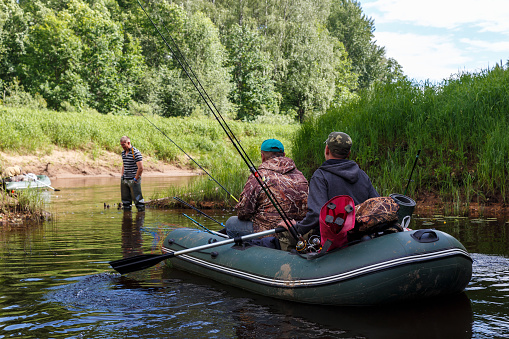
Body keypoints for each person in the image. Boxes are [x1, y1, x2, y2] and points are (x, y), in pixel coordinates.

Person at [280, 132, 379, 238]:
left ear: (327, 150)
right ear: (349, 153)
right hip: (361, 234)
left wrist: (297, 228)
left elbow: (317, 214)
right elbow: (377, 204)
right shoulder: (362, 174)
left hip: (334, 240)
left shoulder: (320, 176)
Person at [226, 139, 308, 249]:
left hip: (269, 234)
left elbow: (243, 213)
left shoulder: (258, 176)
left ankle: (241, 256)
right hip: (295, 232)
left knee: (231, 223)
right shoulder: (300, 176)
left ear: (262, 156)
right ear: (283, 155)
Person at [120, 136, 145, 212]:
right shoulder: (123, 153)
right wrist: (122, 176)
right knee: (125, 202)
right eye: (121, 145)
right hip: (125, 179)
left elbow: (140, 168)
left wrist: (135, 179)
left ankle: (140, 218)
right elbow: (124, 164)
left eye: (124, 144)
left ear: (128, 143)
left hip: (133, 180)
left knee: (138, 201)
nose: (122, 146)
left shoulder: (136, 153)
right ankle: (127, 218)